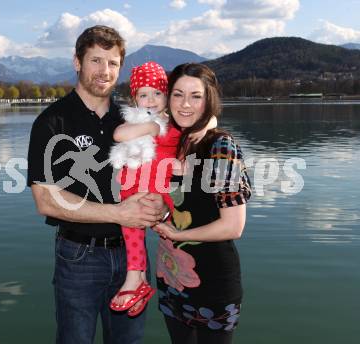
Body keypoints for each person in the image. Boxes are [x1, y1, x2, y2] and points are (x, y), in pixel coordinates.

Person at [26, 26, 168, 344]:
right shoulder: (52, 122)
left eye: (113, 62)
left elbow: (156, 170)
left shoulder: (133, 117)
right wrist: (119, 213)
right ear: (77, 62)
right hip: (79, 257)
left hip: (133, 256)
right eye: (96, 60)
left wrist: (159, 204)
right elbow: (45, 201)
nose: (105, 71)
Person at [153, 63, 252, 344]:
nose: (185, 104)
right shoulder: (174, 142)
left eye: (196, 96)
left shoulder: (220, 147)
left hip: (213, 283)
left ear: (209, 99)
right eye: (177, 94)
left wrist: (178, 234)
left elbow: (233, 226)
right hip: (171, 276)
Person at [109, 61, 217, 317]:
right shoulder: (135, 121)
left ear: (166, 95)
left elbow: (209, 117)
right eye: (143, 95)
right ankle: (137, 279)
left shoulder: (175, 123)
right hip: (134, 188)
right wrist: (149, 127)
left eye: (157, 93)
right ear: (134, 98)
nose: (150, 100)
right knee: (131, 230)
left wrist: (207, 125)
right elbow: (118, 135)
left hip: (161, 188)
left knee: (163, 228)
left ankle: (145, 283)